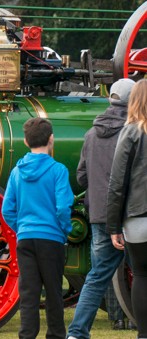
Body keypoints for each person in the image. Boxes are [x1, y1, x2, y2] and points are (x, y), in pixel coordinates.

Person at [67, 78, 135, 339]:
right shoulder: (134, 131)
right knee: (141, 273)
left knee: (96, 278)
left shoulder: (91, 134)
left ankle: (77, 332)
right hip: (129, 215)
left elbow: (82, 176)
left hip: (99, 216)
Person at [2, 117, 73, 339]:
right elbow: (62, 207)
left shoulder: (16, 172)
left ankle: (27, 335)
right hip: (51, 237)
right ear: (51, 139)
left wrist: (21, 227)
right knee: (53, 291)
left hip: (25, 237)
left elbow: (7, 210)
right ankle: (55, 335)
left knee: (29, 293)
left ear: (25, 141)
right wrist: (64, 230)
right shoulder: (58, 170)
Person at [107, 78, 147, 337]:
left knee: (142, 276)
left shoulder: (131, 132)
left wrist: (113, 225)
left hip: (138, 216)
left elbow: (117, 182)